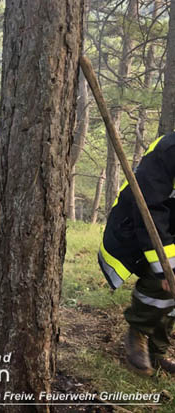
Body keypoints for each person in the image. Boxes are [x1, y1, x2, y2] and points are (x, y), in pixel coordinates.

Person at [98, 132, 175, 376]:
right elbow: (148, 211)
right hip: (134, 232)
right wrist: (167, 267)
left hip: (166, 232)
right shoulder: (168, 150)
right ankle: (138, 333)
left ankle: (156, 351)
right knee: (166, 281)